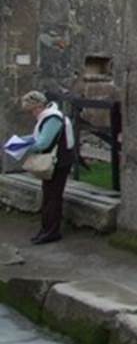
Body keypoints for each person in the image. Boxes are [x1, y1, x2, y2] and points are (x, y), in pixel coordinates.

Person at [19, 91, 75, 244]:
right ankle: (46, 230)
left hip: (58, 162)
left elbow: (43, 143)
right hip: (58, 161)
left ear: (38, 106)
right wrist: (20, 141)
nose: (32, 114)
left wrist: (21, 146)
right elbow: (38, 137)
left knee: (52, 197)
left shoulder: (52, 118)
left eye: (31, 110)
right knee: (49, 196)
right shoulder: (50, 116)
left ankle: (51, 231)